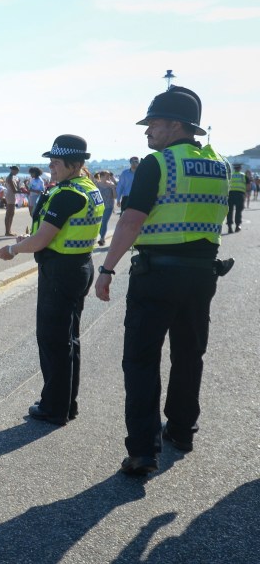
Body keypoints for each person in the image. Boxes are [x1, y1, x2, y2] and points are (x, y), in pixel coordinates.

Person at [95, 86, 231, 476]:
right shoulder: (220, 164)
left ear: (176, 125)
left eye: (153, 123)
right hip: (202, 274)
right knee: (189, 354)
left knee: (140, 359)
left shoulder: (159, 164)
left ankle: (142, 451)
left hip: (157, 274)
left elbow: (131, 220)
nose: (147, 132)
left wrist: (107, 270)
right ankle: (182, 430)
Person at [0, 135, 103, 427]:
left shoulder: (68, 193)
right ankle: (68, 403)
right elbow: (52, 234)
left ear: (75, 164)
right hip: (79, 264)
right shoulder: (88, 188)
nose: (51, 166)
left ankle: (54, 407)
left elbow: (43, 239)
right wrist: (29, 240)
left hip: (61, 272)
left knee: (54, 340)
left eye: (56, 162)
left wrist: (13, 249)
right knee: (70, 339)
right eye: (51, 161)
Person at [95, 170, 117, 246]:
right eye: (106, 176)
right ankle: (101, 235)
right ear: (101, 177)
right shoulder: (96, 184)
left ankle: (102, 238)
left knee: (104, 222)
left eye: (109, 176)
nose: (108, 177)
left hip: (108, 206)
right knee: (99, 222)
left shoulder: (111, 185)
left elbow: (115, 196)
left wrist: (113, 188)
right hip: (99, 207)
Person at [227, 163, 246, 233]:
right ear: (240, 168)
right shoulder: (243, 175)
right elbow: (248, 186)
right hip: (240, 194)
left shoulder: (230, 175)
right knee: (238, 211)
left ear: (234, 168)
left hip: (230, 194)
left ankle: (229, 227)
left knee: (229, 211)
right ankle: (237, 226)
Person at [4, 166, 21, 236]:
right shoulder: (10, 178)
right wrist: (22, 191)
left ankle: (8, 230)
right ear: (13, 170)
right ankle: (8, 231)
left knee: (10, 213)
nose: (17, 173)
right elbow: (14, 190)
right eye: (17, 171)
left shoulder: (11, 177)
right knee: (9, 213)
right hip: (11, 195)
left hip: (10, 195)